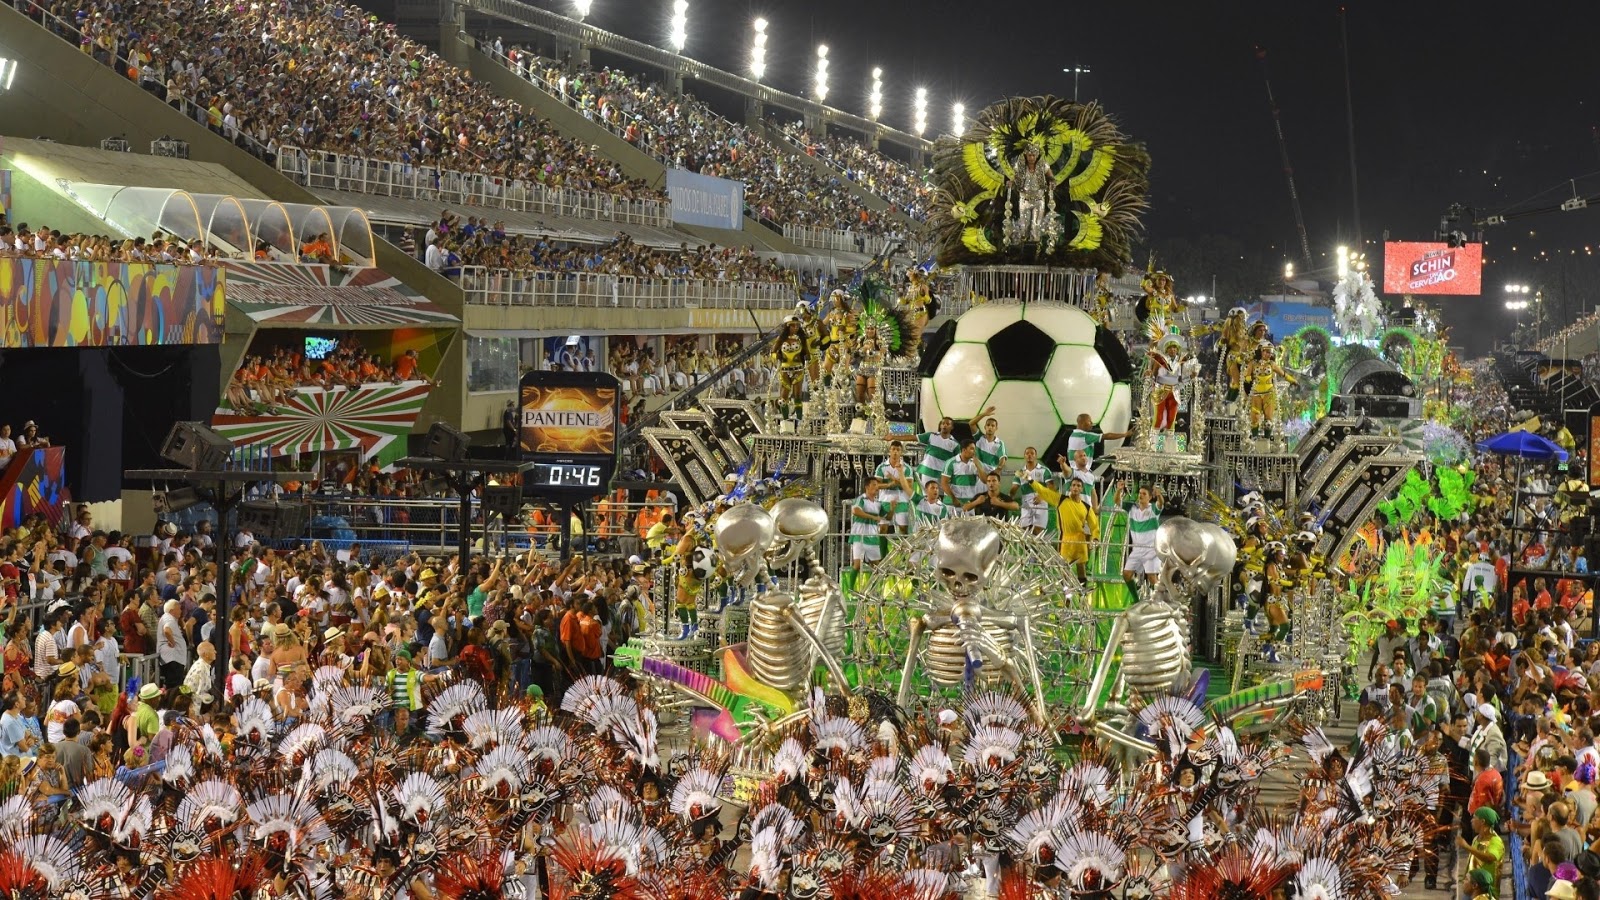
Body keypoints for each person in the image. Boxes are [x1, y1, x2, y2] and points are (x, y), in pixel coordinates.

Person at [1029, 476, 1099, 580]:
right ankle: (1067, 595)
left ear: (1081, 489)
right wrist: (1031, 481)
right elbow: (1043, 491)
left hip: (1080, 540)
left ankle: (1082, 594)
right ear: (1070, 488)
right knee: (1063, 568)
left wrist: (1095, 538)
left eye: (1078, 486)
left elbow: (1094, 525)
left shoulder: (1086, 507)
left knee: (1081, 568)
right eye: (1074, 485)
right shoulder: (1060, 500)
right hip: (1066, 539)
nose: (1075, 487)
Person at [1116, 481, 1164, 590]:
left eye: (1144, 494)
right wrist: (1119, 490)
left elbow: (1160, 504)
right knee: (1126, 575)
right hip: (1137, 549)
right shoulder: (1131, 508)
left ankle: (1160, 601)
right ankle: (1135, 601)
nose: (1140, 495)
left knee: (1152, 578)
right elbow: (1117, 501)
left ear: (1150, 497)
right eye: (1140, 493)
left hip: (1151, 549)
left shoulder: (1153, 509)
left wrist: (1159, 495)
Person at [1457, 806, 1505, 898]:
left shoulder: (1495, 841)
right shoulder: (1476, 839)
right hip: (1471, 889)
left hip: (1484, 894)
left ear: (1482, 821)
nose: (1471, 820)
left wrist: (1467, 847)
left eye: (1474, 818)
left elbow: (1490, 857)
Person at [848, 477, 888, 572]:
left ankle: (875, 587)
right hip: (860, 535)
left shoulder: (878, 503)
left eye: (877, 485)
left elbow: (885, 517)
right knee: (857, 565)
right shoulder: (861, 499)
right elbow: (855, 511)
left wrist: (893, 509)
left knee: (876, 566)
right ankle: (850, 587)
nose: (877, 487)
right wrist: (873, 517)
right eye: (874, 485)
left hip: (873, 536)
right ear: (867, 487)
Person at [1012, 446, 1053, 535]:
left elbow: (1051, 487)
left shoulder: (1044, 470)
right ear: (1024, 456)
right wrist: (1008, 498)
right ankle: (1027, 549)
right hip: (1026, 503)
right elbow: (1013, 489)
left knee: (1038, 531)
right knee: (1024, 530)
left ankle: (1036, 549)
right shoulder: (1020, 472)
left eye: (1032, 453)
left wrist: (1042, 496)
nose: (1029, 455)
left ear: (1036, 456)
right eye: (1027, 453)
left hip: (1041, 502)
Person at [941, 441, 983, 507]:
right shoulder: (951, 463)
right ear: (964, 450)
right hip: (952, 504)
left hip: (969, 504)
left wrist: (978, 465)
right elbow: (944, 483)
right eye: (972, 449)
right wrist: (954, 499)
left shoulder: (976, 463)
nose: (974, 452)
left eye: (975, 449)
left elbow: (985, 480)